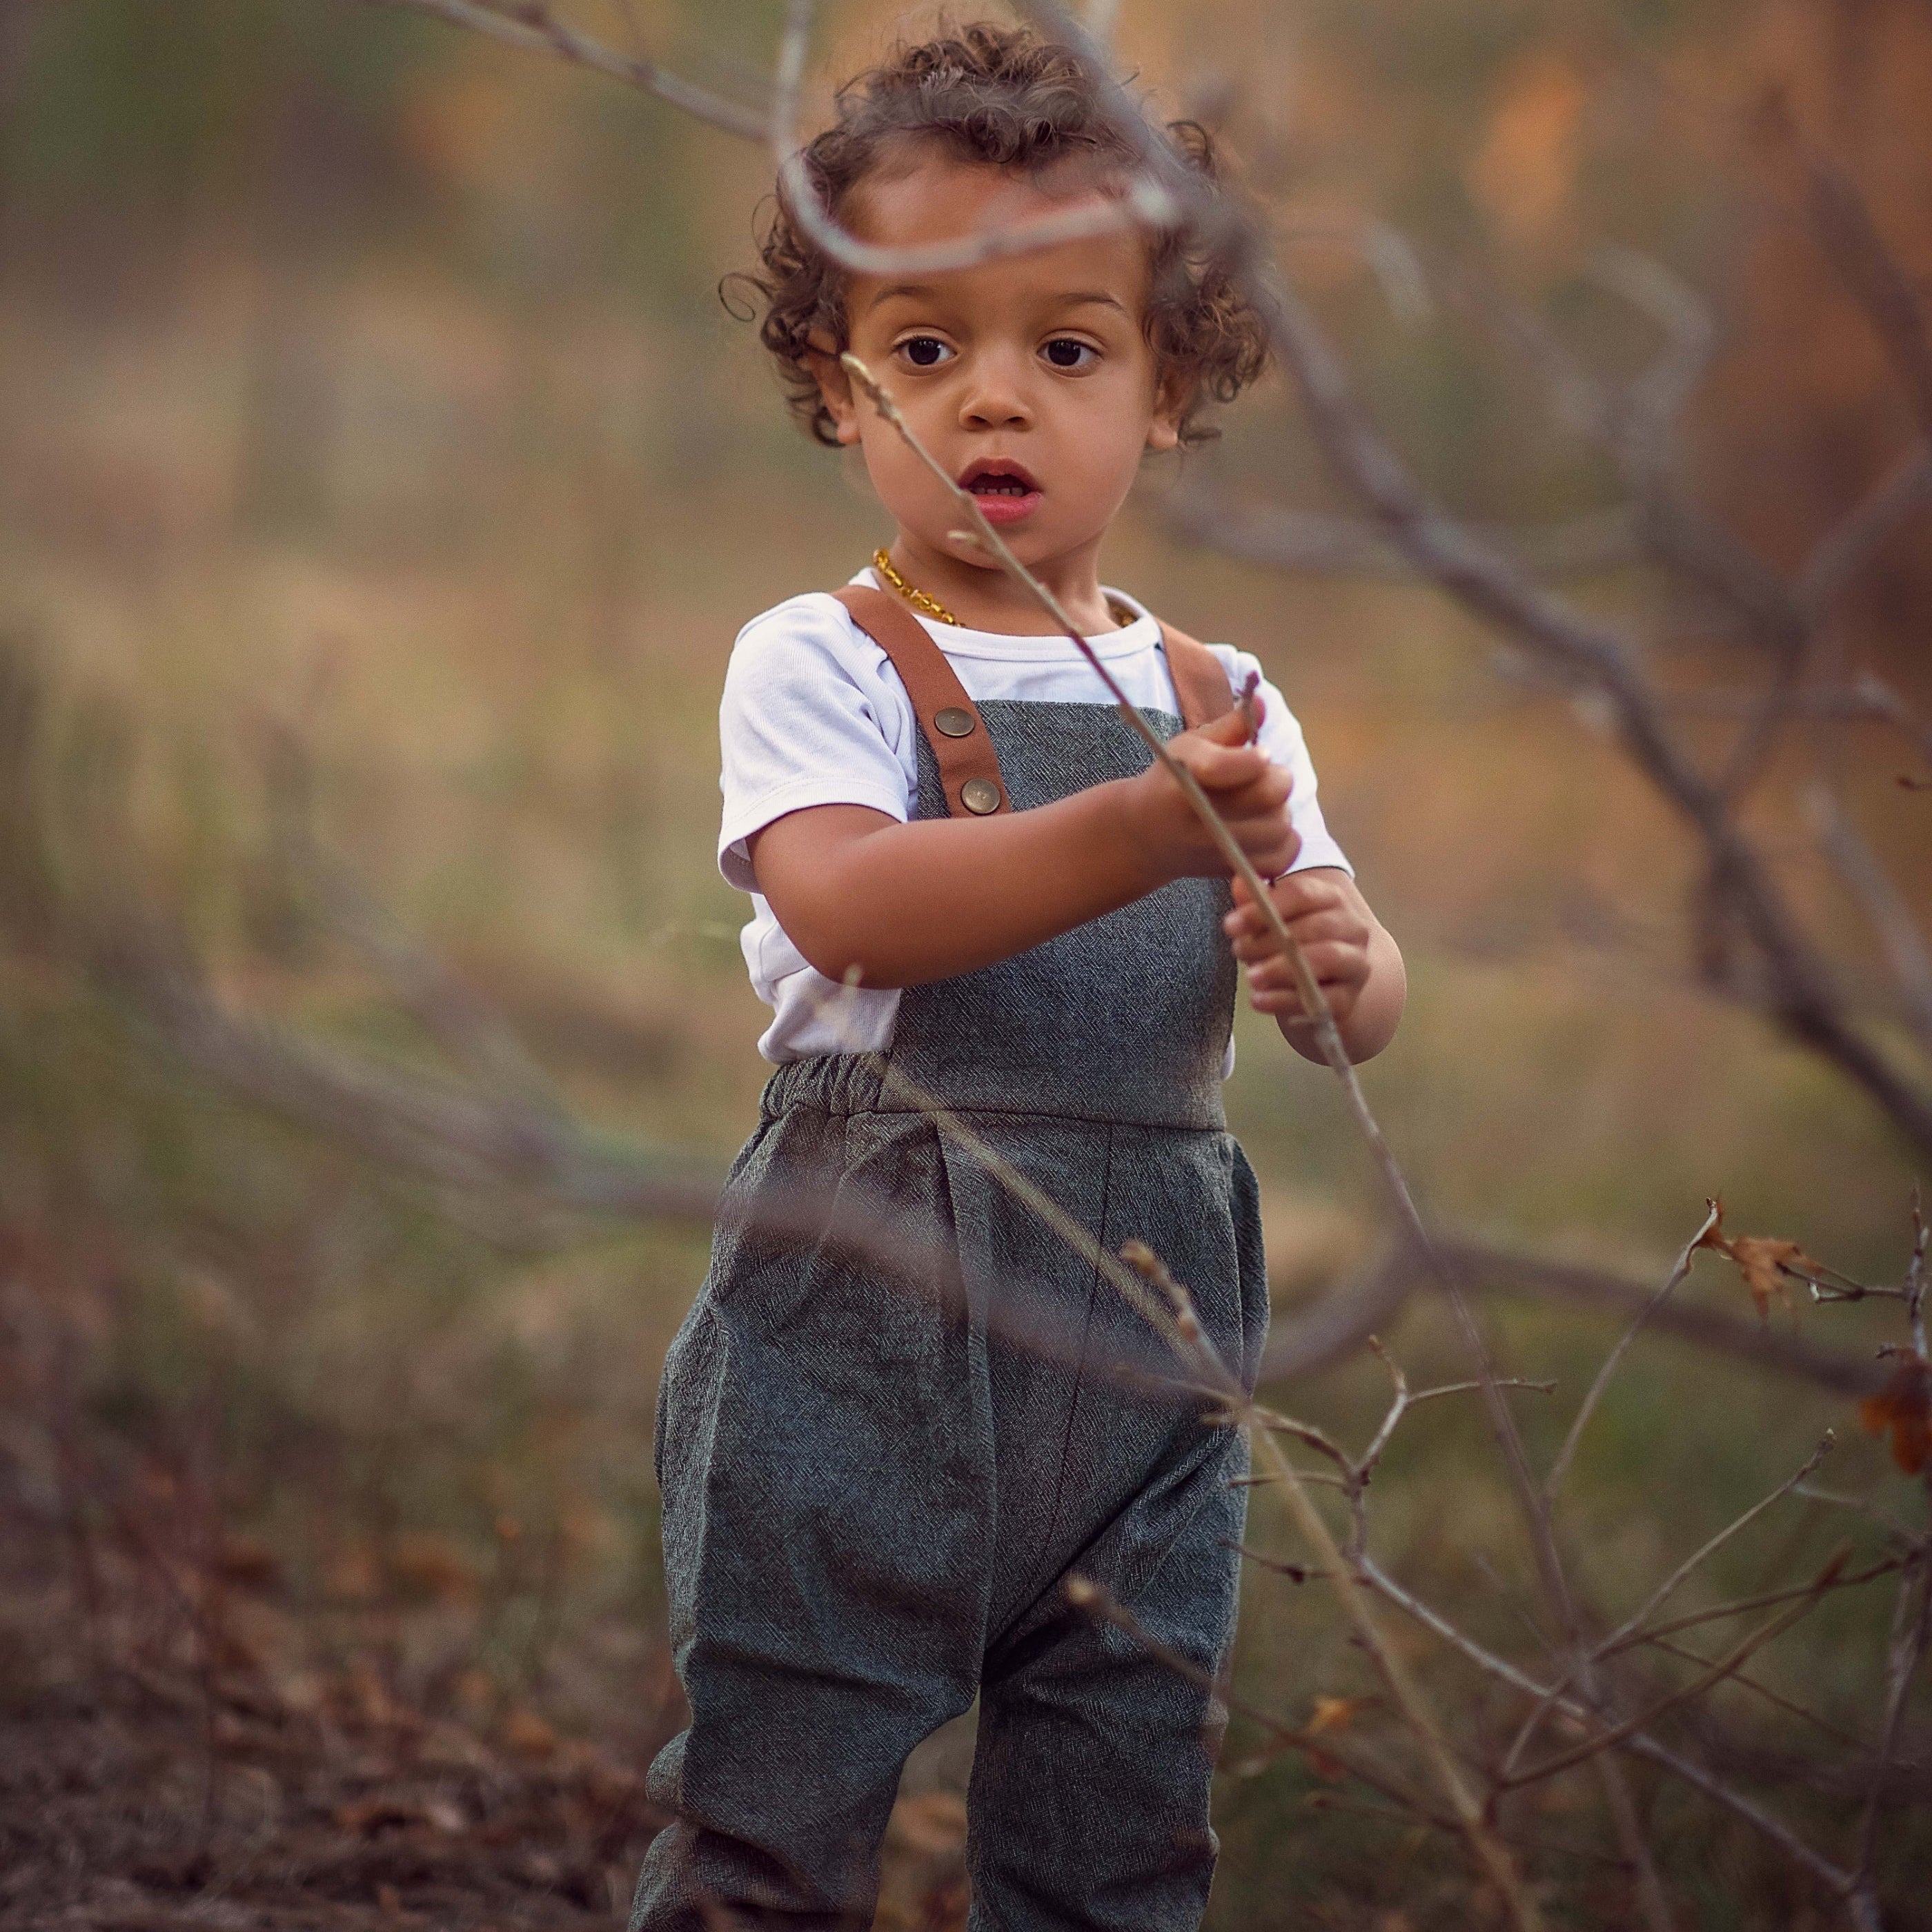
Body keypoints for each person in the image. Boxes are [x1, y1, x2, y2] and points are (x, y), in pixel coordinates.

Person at [631, 23, 1404, 1932]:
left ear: (1165, 392)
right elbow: (856, 909)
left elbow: (1347, 985)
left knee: (1119, 1822)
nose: (994, 402)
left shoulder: (1219, 697)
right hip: (868, 1301)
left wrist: (1334, 963)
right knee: (777, 1802)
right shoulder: (820, 656)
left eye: (1066, 348)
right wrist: (1141, 837)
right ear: (836, 391)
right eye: (922, 351)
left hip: (1150, 1316)